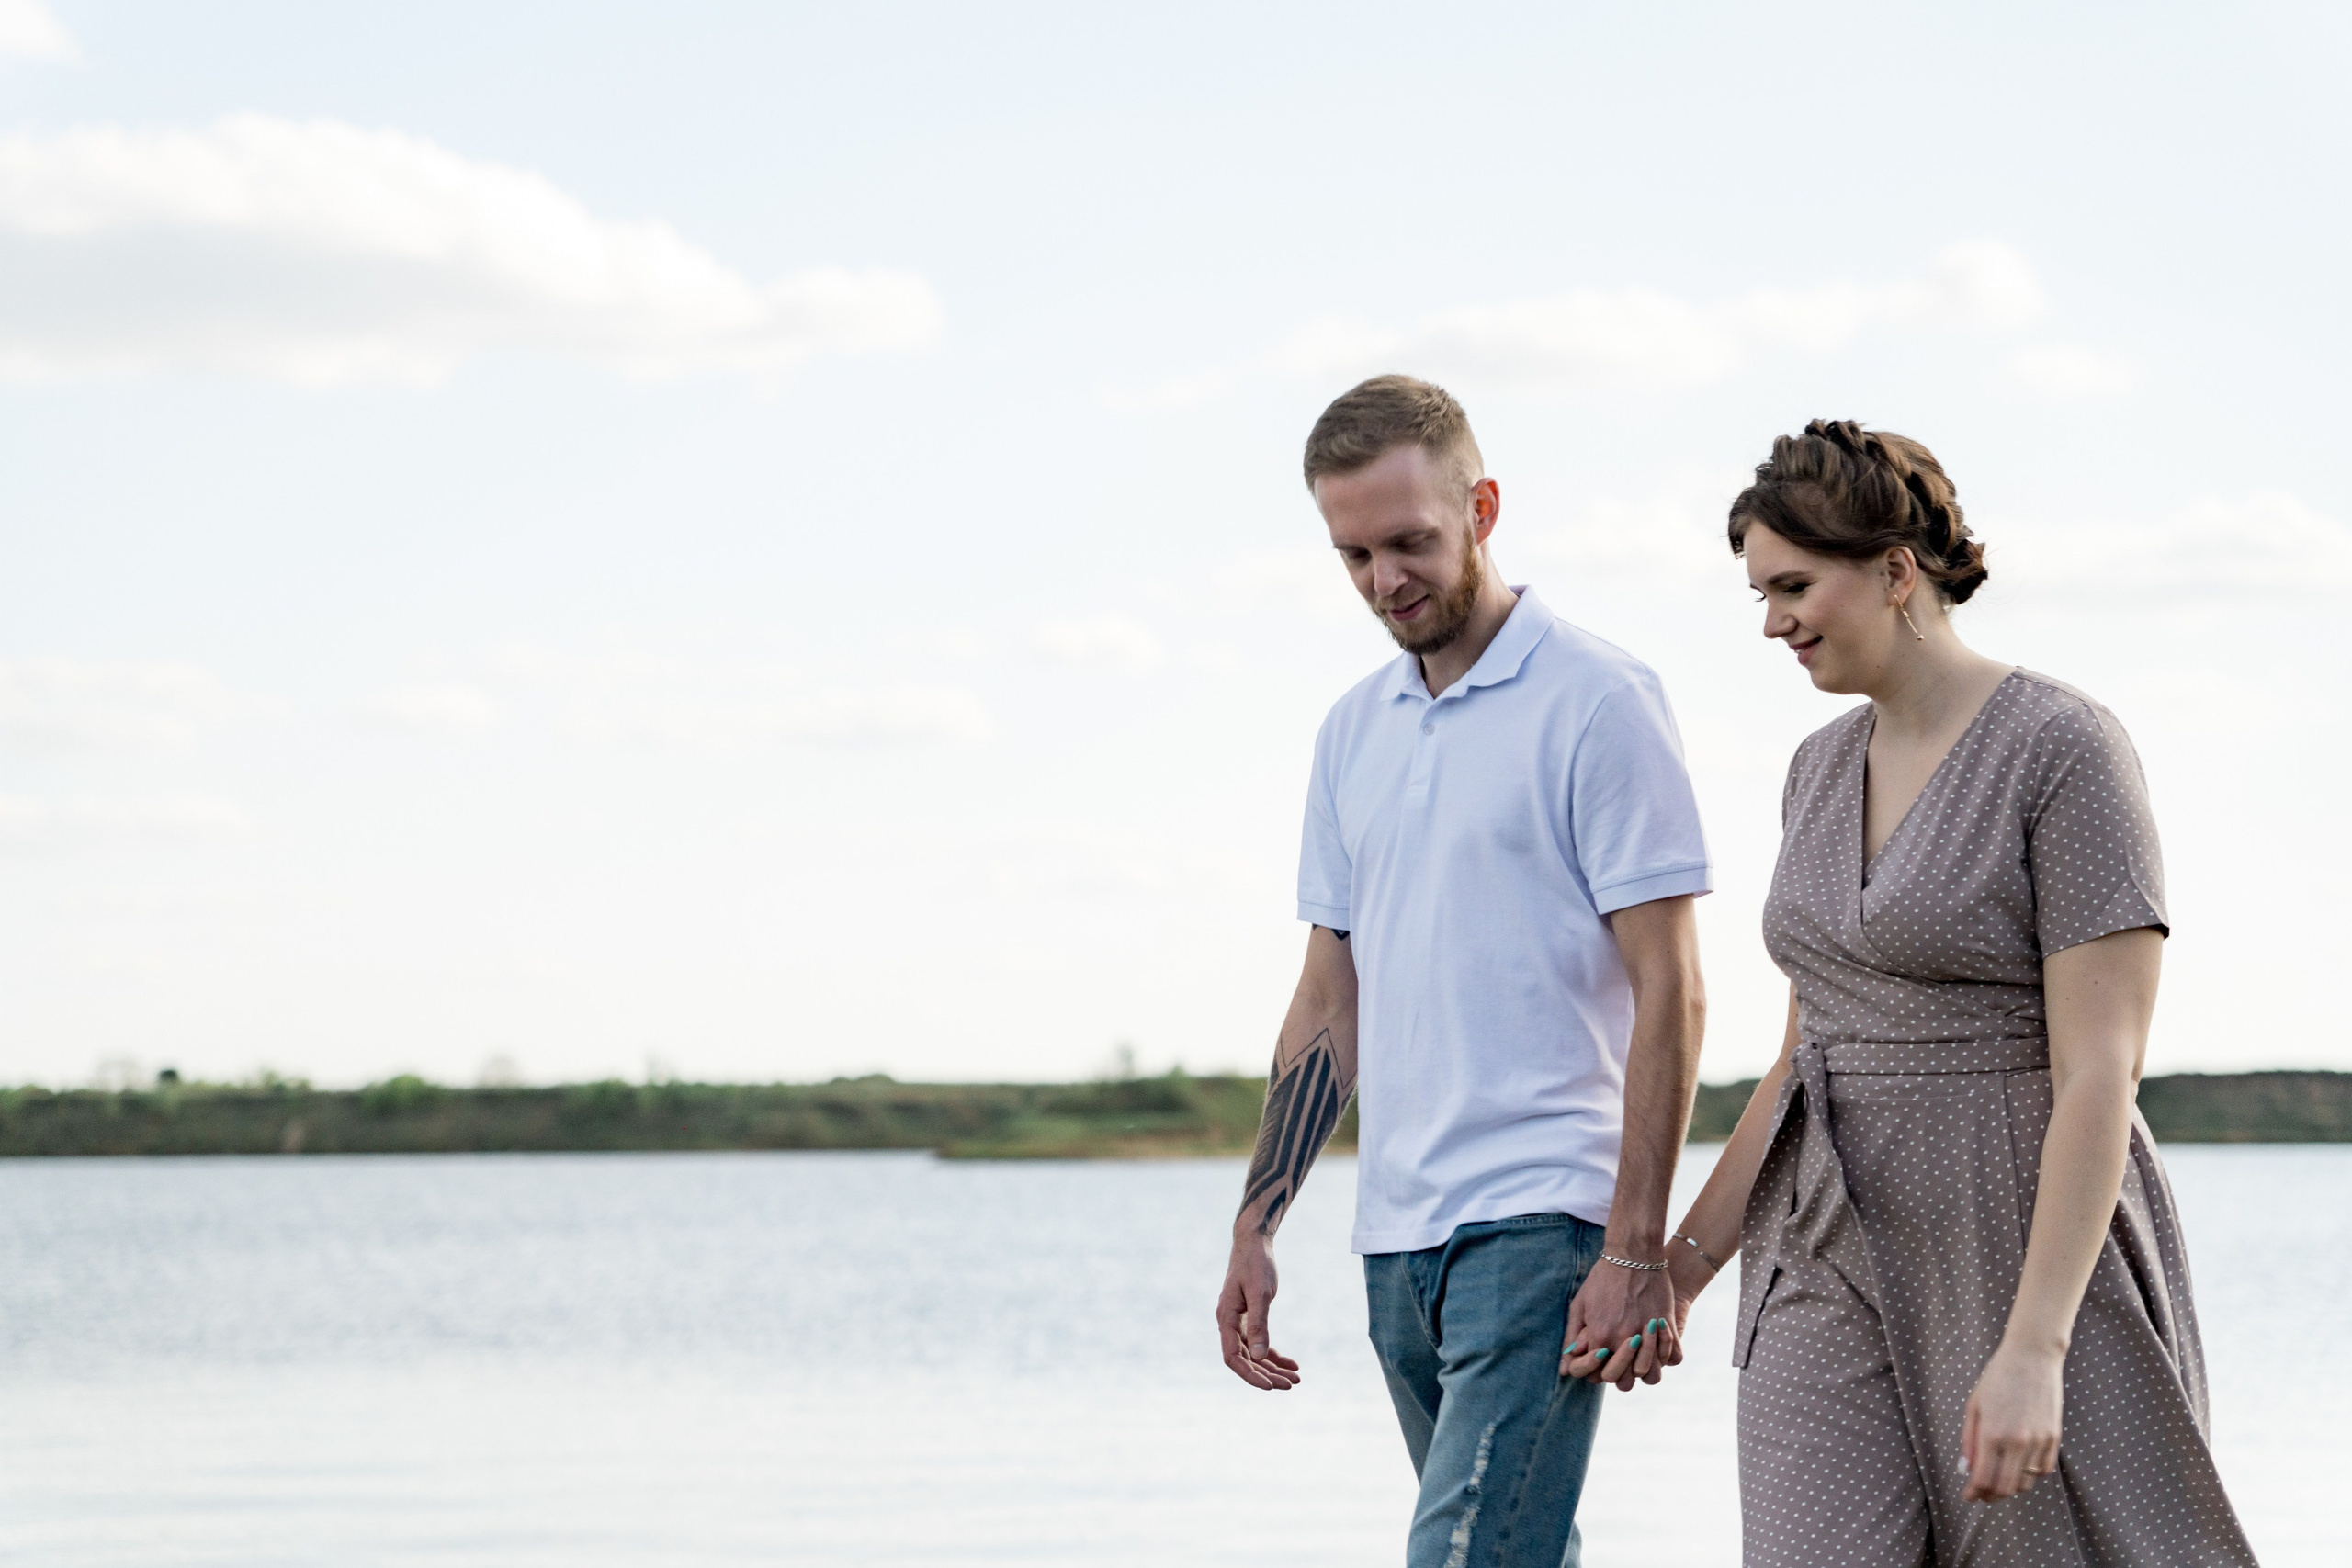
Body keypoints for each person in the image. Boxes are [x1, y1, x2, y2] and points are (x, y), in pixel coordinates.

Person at [1661, 421, 2259, 1565]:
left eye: (1793, 586)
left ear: (1895, 571)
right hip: (1819, 1235)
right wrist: (1680, 1268)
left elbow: (2099, 1069)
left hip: (2017, 1234)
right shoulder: (1814, 769)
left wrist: (2036, 1344)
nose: (1775, 622)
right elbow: (1803, 1057)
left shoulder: (2063, 748)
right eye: (1758, 595)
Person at [1213, 374, 1713, 1568]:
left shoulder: (1601, 699)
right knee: (1511, 1546)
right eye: (1354, 554)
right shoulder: (1351, 730)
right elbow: (1329, 999)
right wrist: (1256, 1217)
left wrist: (1635, 1245)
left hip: (1540, 1219)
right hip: (1396, 1235)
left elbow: (1675, 991)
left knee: (1462, 1554)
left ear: (1483, 506)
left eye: (1411, 541)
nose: (1387, 579)